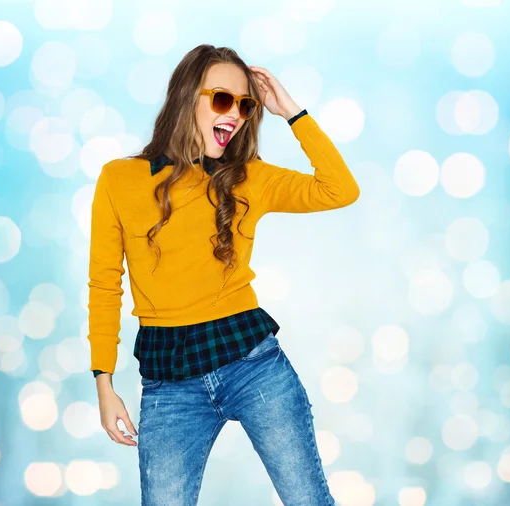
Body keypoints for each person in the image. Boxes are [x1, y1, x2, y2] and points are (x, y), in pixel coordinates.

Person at [87, 44, 360, 505]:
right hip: (168, 383)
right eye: (221, 99)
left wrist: (291, 111)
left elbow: (340, 189)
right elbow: (103, 283)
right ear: (186, 98)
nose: (235, 114)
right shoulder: (119, 179)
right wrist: (104, 381)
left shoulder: (249, 176)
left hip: (252, 364)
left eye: (245, 104)